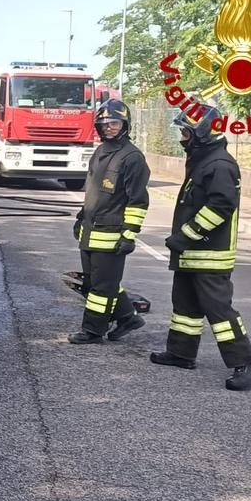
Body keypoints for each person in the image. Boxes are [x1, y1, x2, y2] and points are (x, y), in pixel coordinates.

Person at [151, 104, 251, 391]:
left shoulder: (220, 165)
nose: (182, 138)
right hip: (192, 253)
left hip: (210, 254)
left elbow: (220, 207)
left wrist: (186, 236)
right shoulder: (203, 160)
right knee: (185, 306)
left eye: (186, 132)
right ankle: (181, 353)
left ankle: (246, 365)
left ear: (202, 132)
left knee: (218, 310)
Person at [68, 99, 150, 344]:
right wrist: (82, 217)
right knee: (97, 281)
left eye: (114, 123)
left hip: (112, 234)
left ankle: (93, 330)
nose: (109, 128)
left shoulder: (132, 157)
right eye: (104, 124)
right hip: (90, 230)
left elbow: (138, 200)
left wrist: (129, 234)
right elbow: (93, 191)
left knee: (101, 288)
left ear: (125, 124)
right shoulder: (100, 151)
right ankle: (127, 317)